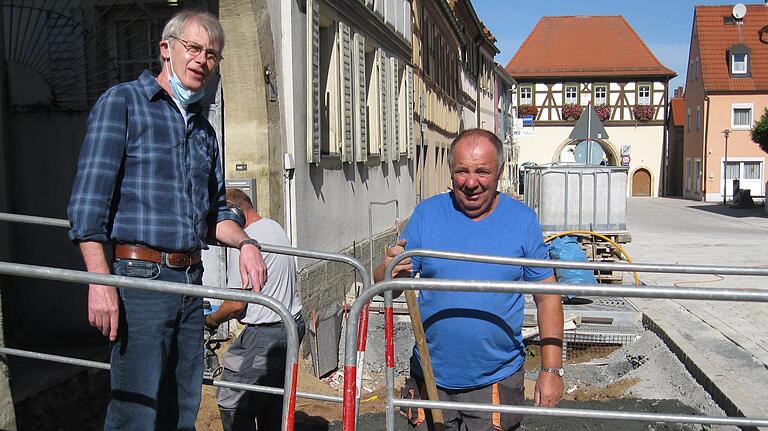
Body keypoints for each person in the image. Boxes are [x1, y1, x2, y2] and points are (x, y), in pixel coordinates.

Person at [67, 10, 267, 430]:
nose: (201, 60)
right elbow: (88, 207)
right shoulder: (122, 104)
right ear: (166, 49)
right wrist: (101, 284)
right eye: (193, 48)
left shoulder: (203, 131)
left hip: (189, 284)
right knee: (135, 409)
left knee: (182, 407)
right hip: (140, 280)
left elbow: (212, 214)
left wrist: (247, 243)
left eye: (211, 54)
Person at [374, 128, 564, 430]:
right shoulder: (427, 216)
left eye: (482, 172)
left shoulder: (522, 221)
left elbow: (547, 298)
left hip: (495, 382)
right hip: (430, 376)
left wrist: (551, 370)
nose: (471, 183)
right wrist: (388, 269)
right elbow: (388, 285)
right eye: (461, 171)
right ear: (451, 171)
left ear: (500, 171)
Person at [204, 189, 305, 431]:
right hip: (290, 325)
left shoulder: (247, 241)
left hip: (266, 333)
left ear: (233, 212)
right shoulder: (273, 226)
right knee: (271, 401)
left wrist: (211, 320)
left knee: (232, 401)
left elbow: (237, 303)